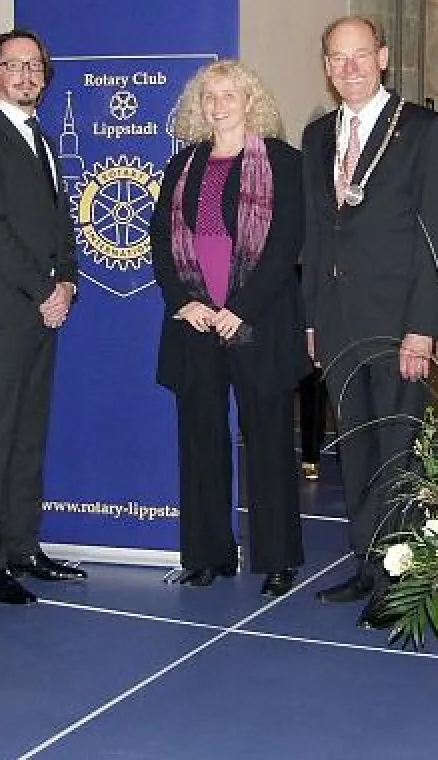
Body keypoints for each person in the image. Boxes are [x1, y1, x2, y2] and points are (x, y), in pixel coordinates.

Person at [302, 16, 438, 629]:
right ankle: (367, 564)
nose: (349, 67)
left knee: (399, 452)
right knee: (357, 451)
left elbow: (436, 235)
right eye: (337, 58)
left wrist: (423, 325)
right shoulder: (318, 136)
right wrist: (314, 316)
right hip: (338, 322)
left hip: (398, 324)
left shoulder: (423, 129)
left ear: (384, 57)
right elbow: (317, 233)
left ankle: (402, 579)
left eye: (360, 55)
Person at [149, 60, 307, 597]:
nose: (218, 105)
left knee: (267, 440)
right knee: (200, 439)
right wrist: (184, 302)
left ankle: (277, 558)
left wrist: (241, 307)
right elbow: (161, 243)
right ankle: (207, 553)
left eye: (229, 95)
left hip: (256, 322)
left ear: (250, 100)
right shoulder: (181, 166)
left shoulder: (282, 162)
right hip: (195, 323)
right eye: (209, 96)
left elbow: (285, 244)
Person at [0, 29, 87, 606]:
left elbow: (61, 225)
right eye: (15, 65)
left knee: (30, 433)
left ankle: (22, 546)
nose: (27, 75)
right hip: (8, 310)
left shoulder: (43, 138)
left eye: (35, 66)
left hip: (44, 308)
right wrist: (43, 290)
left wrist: (68, 283)